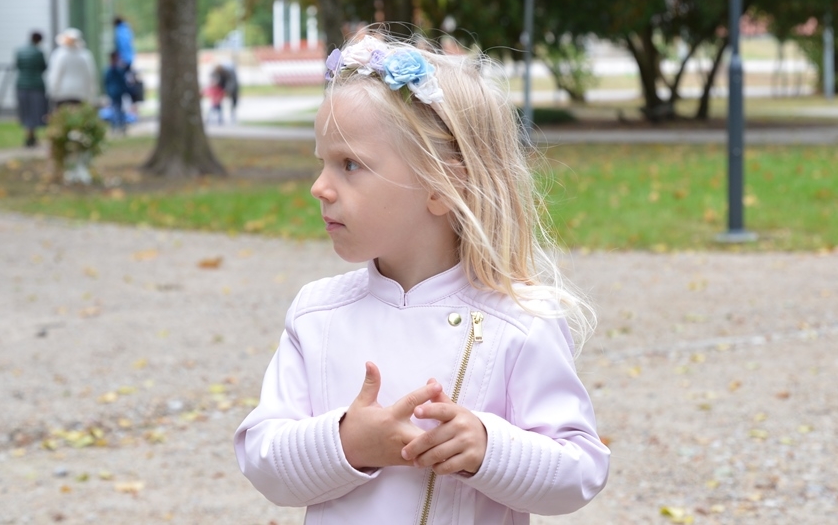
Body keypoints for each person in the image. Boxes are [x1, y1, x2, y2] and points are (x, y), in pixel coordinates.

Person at [233, 34, 610, 523]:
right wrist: (347, 442)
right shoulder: (317, 315)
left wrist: (490, 448)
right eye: (322, 162)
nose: (319, 187)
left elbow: (579, 471)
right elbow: (262, 458)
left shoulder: (518, 322)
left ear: (442, 186)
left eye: (349, 165)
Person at [46, 28, 97, 107]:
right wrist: (91, 93)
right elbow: (90, 75)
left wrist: (53, 90)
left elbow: (55, 74)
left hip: (62, 93)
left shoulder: (59, 55)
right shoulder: (85, 55)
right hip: (81, 93)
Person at [14, 30, 48, 147]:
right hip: (36, 85)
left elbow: (17, 66)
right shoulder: (38, 52)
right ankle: (31, 137)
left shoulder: (19, 51)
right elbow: (44, 67)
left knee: (26, 112)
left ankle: (29, 136)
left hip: (21, 85)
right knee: (35, 112)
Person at [103, 51, 128, 133]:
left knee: (116, 109)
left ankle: (117, 127)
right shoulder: (115, 69)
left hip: (115, 92)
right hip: (116, 92)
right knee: (117, 109)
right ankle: (118, 126)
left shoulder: (110, 68)